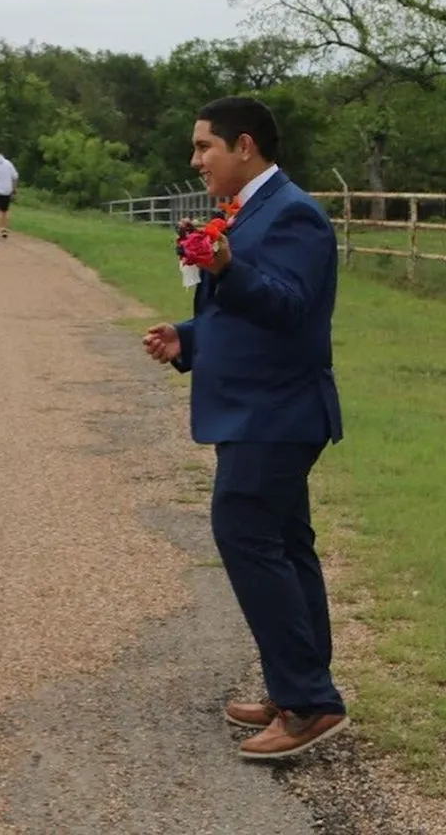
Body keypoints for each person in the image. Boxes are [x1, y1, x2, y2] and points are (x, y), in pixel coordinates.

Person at [142, 96, 347, 761]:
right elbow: (242, 316)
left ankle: (309, 703)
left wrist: (227, 267)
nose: (195, 159)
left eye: (205, 146)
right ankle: (299, 690)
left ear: (245, 146)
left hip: (277, 411)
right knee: (285, 544)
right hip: (258, 409)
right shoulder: (248, 210)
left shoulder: (293, 213)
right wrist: (190, 337)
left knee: (245, 533)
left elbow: (292, 309)